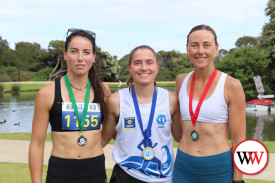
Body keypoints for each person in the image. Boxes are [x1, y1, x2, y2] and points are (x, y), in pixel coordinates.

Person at [29, 28, 111, 183]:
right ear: (65, 55)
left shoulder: (103, 90)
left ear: (93, 57)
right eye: (74, 51)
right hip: (60, 173)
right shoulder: (47, 93)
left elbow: (111, 129)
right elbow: (37, 144)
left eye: (86, 52)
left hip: (96, 172)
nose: (80, 58)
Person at [172, 24, 246, 183]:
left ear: (216, 48)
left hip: (218, 169)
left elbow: (239, 140)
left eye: (206, 45)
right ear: (187, 49)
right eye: (194, 45)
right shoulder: (181, 80)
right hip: (183, 167)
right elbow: (178, 129)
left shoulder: (232, 85)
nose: (200, 51)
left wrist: (238, 180)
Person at [101, 45, 182, 183]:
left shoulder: (172, 100)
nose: (144, 68)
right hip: (125, 176)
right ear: (129, 67)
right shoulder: (116, 100)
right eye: (137, 63)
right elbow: (103, 139)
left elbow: (181, 138)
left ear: (157, 67)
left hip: (163, 178)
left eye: (149, 62)